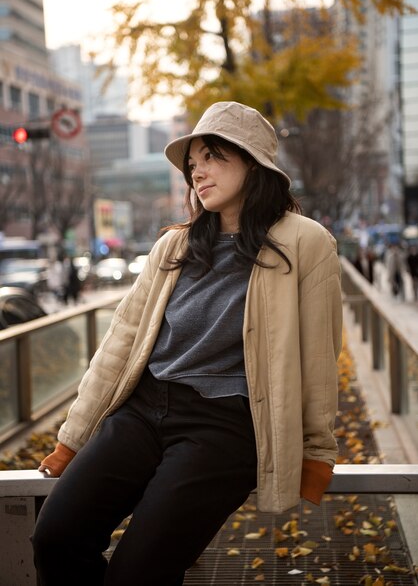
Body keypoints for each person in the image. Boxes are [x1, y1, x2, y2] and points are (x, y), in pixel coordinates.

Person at [32, 101, 343, 586]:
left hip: (223, 426)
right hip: (142, 409)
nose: (198, 173)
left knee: (140, 571)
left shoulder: (305, 243)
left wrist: (316, 451)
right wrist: (73, 439)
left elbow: (319, 356)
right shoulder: (173, 246)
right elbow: (121, 342)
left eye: (213, 157)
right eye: (192, 164)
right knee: (55, 537)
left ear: (252, 161)